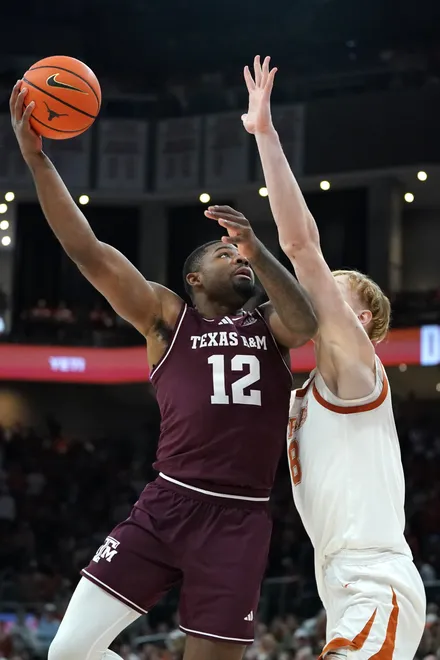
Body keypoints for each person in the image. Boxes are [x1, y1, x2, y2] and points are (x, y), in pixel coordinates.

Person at [10, 81, 317, 660]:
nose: (235, 257)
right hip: (167, 503)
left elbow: (305, 324)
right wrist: (36, 159)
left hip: (241, 519)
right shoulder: (166, 317)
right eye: (222, 253)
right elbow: (88, 251)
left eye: (238, 253)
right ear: (195, 279)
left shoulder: (271, 326)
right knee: (68, 651)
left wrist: (257, 248)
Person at [242, 56, 426, 659]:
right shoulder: (301, 396)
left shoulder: (356, 371)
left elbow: (299, 246)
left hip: (374, 580)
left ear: (363, 320)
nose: (317, 291)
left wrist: (265, 136)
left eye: (333, 289)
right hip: (339, 584)